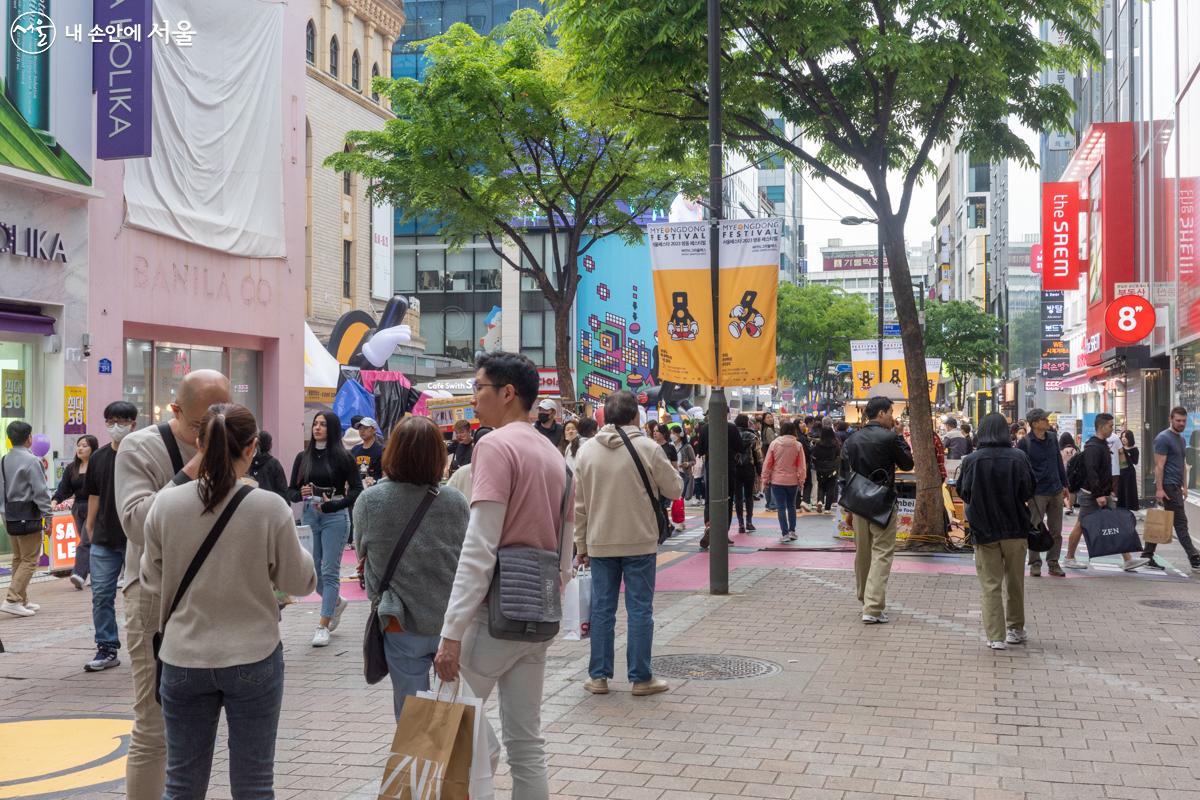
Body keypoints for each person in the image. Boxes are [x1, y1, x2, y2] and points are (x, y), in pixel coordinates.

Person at [141, 403, 315, 800]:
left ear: (199, 444)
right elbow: (299, 581)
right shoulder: (269, 507)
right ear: (252, 448)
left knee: (181, 784)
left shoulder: (165, 505)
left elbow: (150, 578)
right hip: (253, 655)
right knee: (254, 785)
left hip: (183, 656)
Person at [435, 352, 573, 800]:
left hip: (491, 618)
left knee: (454, 723)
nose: (473, 397)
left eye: (479, 387)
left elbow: (480, 546)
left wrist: (451, 632)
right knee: (526, 743)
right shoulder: (555, 458)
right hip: (538, 615)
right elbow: (565, 552)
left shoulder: (494, 446)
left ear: (507, 393)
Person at [115, 368, 231, 800]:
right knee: (154, 722)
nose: (215, 431)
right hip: (153, 595)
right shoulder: (140, 447)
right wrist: (191, 471)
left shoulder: (231, 443)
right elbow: (135, 523)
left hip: (213, 594)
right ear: (176, 411)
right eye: (205, 424)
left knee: (199, 723)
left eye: (225, 417)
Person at [355, 415, 468, 719]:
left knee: (413, 718)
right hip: (450, 623)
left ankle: (418, 766)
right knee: (454, 713)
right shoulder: (456, 501)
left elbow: (361, 551)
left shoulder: (370, 501)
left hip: (400, 620)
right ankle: (454, 766)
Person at [573, 390, 679, 697]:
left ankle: (598, 677)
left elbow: (579, 507)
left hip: (600, 542)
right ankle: (640, 678)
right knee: (640, 610)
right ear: (635, 416)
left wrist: (581, 547)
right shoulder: (648, 447)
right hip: (639, 541)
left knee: (602, 610)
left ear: (606, 416)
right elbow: (674, 489)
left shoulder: (587, 451)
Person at [957, 413, 1033, 651]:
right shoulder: (1019, 457)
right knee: (1015, 582)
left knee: (990, 584)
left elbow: (963, 492)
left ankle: (995, 635)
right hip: (1015, 528)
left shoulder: (972, 460)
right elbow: (1028, 490)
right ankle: (1015, 629)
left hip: (984, 528)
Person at [288, 412, 363, 647]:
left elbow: (357, 490)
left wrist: (336, 503)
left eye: (322, 424)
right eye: (315, 424)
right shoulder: (303, 457)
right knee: (312, 570)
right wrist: (299, 494)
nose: (317, 428)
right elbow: (290, 490)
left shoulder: (343, 457)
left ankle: (323, 624)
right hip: (310, 515)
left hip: (335, 518)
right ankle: (336, 603)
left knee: (330, 571)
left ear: (331, 429)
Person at [840, 396, 914, 624]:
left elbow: (844, 475)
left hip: (859, 502)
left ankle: (866, 597)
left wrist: (848, 508)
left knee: (862, 552)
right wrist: (900, 436)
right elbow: (907, 464)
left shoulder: (852, 440)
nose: (892, 417)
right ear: (881, 413)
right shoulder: (890, 437)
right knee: (882, 552)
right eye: (890, 412)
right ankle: (872, 607)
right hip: (882, 502)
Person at [78, 403, 139, 671]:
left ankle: (147, 646)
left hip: (137, 537)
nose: (116, 426)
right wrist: (89, 526)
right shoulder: (99, 458)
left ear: (133, 424)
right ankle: (107, 647)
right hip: (103, 537)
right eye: (111, 421)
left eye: (122, 421)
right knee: (101, 594)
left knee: (140, 596)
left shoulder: (141, 453)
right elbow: (94, 494)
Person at [1063, 413, 1149, 571]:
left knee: (1114, 522)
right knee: (1081, 525)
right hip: (1091, 495)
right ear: (1101, 426)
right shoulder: (1093, 447)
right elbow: (1092, 472)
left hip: (1102, 493)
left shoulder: (1102, 444)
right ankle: (1069, 557)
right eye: (1110, 425)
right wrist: (1098, 494)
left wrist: (1108, 491)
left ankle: (1128, 560)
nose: (1112, 429)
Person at [0, 420, 52, 618]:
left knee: (18, 558)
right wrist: (48, 516)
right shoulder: (32, 461)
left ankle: (22, 599)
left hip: (9, 514)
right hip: (27, 514)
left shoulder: (4, 459)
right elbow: (40, 491)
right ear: (29, 438)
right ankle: (12, 599)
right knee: (30, 559)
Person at [1142, 407, 1199, 571]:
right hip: (1167, 486)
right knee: (1181, 523)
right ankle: (1194, 557)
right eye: (1178, 420)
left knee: (1162, 519)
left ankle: (1147, 555)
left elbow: (1182, 463)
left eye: (1183, 421)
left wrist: (1185, 486)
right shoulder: (1163, 438)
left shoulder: (1180, 439)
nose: (1181, 423)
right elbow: (1159, 466)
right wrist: (1159, 489)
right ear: (1170, 419)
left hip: (1176, 486)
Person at [1016, 409, 1069, 578]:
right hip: (1037, 492)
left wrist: (1065, 484)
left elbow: (1058, 461)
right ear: (1035, 423)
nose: (1048, 421)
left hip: (1055, 489)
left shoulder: (1053, 438)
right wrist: (1026, 490)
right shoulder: (1025, 442)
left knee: (1056, 531)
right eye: (1044, 419)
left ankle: (1053, 563)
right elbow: (1022, 468)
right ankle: (1034, 563)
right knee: (1035, 529)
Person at [54, 434, 98, 590]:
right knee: (90, 542)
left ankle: (79, 574)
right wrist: (55, 500)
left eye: (85, 445)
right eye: (79, 445)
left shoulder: (98, 466)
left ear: (93, 448)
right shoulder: (72, 468)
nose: (80, 448)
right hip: (78, 508)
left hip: (95, 506)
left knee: (85, 541)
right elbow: (64, 488)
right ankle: (95, 574)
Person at [695, 414, 744, 549]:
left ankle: (709, 526)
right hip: (728, 467)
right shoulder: (732, 428)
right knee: (727, 499)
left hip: (711, 467)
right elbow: (740, 447)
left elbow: (699, 451)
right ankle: (723, 532)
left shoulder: (705, 428)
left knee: (710, 498)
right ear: (726, 413)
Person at [761, 420, 805, 542]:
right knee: (791, 506)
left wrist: (765, 479)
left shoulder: (774, 444)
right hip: (792, 481)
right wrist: (801, 480)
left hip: (777, 481)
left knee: (781, 507)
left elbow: (768, 463)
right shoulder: (797, 445)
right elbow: (802, 466)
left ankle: (784, 533)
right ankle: (792, 531)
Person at [732, 414, 762, 534]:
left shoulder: (732, 435)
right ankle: (749, 521)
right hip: (749, 467)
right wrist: (760, 471)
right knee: (749, 496)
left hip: (735, 468)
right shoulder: (753, 436)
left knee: (738, 497)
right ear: (746, 423)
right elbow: (758, 455)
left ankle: (740, 524)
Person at [247, 431, 289, 502]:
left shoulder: (248, 462)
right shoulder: (274, 463)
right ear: (270, 445)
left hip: (252, 504)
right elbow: (283, 491)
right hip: (272, 506)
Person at [810, 424, 842, 514]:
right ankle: (827, 508)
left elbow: (814, 456)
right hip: (832, 468)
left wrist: (817, 465)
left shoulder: (818, 444)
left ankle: (820, 501)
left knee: (821, 485)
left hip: (820, 467)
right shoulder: (836, 444)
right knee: (831, 487)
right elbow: (838, 456)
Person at [351, 417, 384, 487]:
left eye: (365, 428)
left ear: (374, 430)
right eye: (360, 428)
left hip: (374, 488)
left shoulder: (381, 450)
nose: (362, 431)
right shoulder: (355, 449)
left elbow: (384, 474)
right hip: (357, 488)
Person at [1116, 429, 1140, 511]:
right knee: (1121, 489)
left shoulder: (1134, 449)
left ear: (1130, 438)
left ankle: (1129, 506)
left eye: (1125, 437)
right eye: (1122, 437)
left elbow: (1135, 462)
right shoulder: (1119, 448)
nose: (1123, 438)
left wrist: (1128, 454)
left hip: (1129, 473)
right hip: (1120, 472)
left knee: (1129, 489)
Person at [674, 426, 696, 502]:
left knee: (680, 497)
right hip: (673, 474)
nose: (672, 435)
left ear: (680, 434)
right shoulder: (671, 446)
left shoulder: (687, 447)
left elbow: (693, 461)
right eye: (671, 433)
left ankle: (679, 511)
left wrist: (687, 464)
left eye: (674, 433)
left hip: (683, 473)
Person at [1060, 432, 1078, 516]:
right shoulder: (1075, 449)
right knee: (1072, 490)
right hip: (1074, 472)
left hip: (1063, 471)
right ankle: (1070, 506)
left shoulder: (1060, 450)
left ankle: (1067, 506)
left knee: (1063, 489)